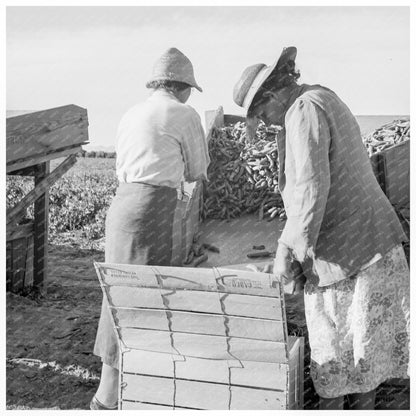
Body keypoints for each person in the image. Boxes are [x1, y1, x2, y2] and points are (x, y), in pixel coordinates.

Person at [233, 47, 410, 410]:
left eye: (262, 112)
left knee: (348, 349)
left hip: (355, 250)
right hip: (361, 243)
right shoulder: (318, 96)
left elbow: (312, 188)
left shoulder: (304, 109)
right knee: (360, 350)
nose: (264, 121)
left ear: (274, 93)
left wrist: (287, 251)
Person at [90, 47, 210, 410]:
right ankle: (108, 397)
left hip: (123, 207)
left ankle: (122, 389)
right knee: (144, 296)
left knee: (119, 293)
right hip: (152, 211)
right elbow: (197, 171)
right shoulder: (184, 113)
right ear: (182, 86)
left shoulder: (132, 112)